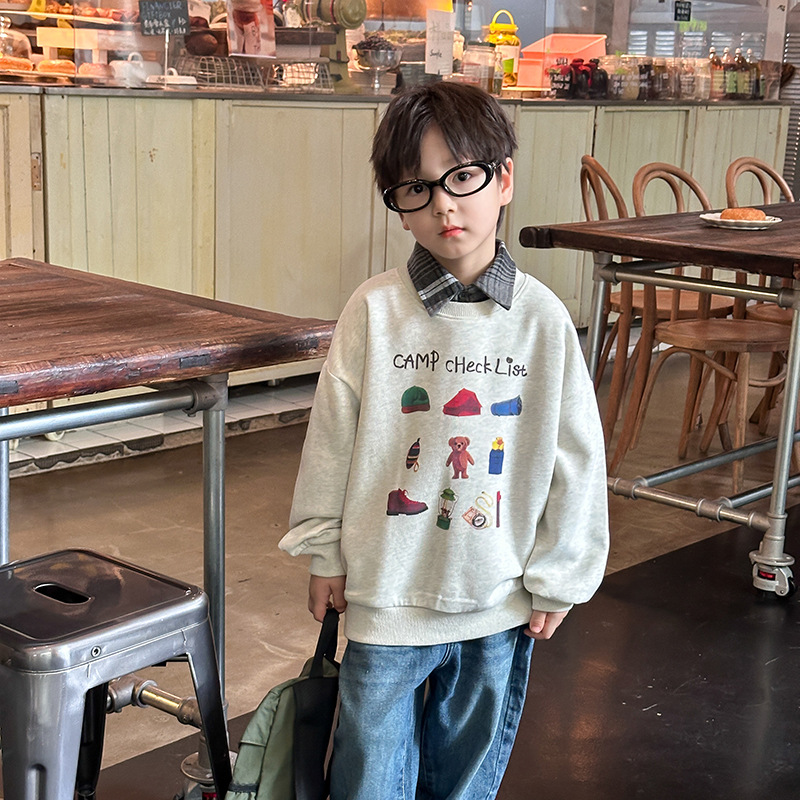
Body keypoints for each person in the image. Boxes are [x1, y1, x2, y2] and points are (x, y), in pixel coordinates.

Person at [279, 81, 609, 800]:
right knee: (368, 780)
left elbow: (576, 456)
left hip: (497, 596)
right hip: (386, 595)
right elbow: (331, 438)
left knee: (463, 782)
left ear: (504, 179)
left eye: (461, 178)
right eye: (416, 189)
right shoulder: (374, 311)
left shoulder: (542, 321)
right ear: (398, 205)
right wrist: (324, 550)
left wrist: (562, 572)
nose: (443, 206)